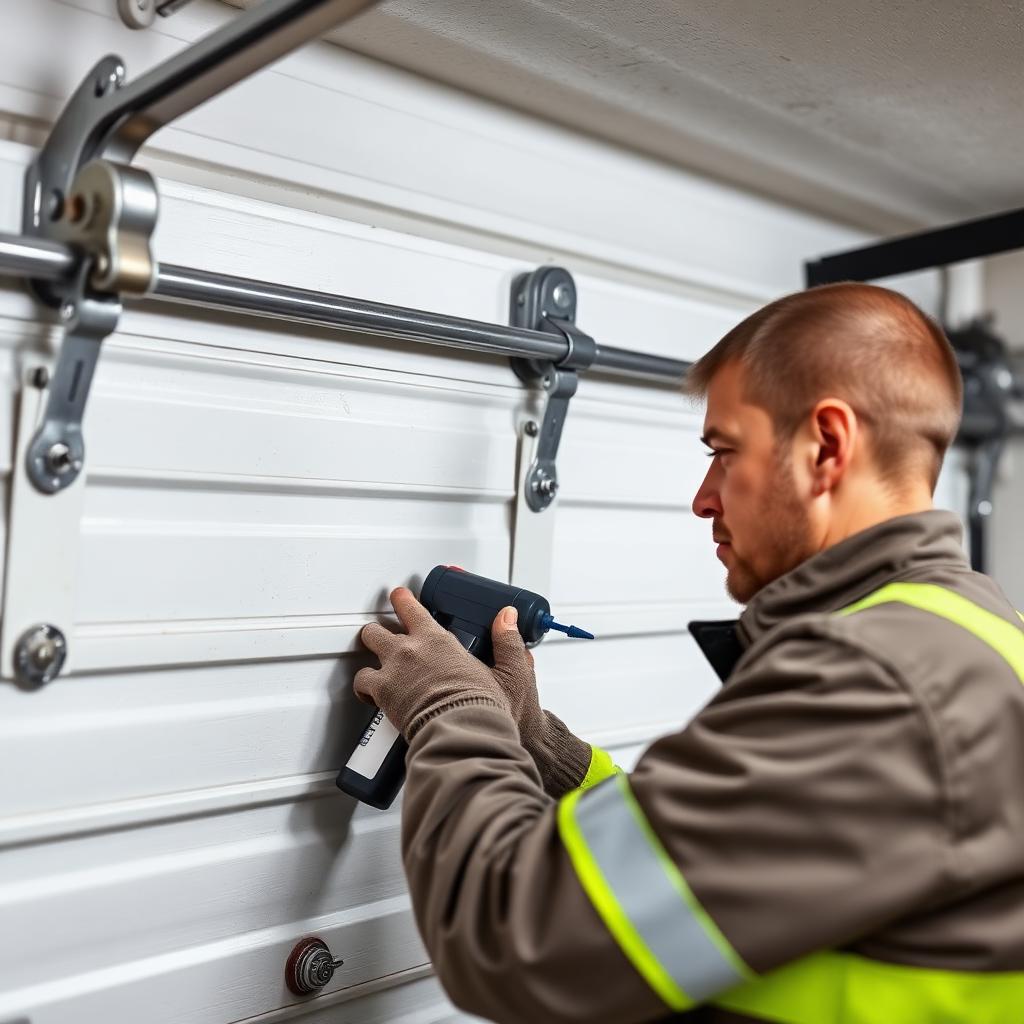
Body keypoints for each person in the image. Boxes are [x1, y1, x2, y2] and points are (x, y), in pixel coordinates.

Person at [353, 282, 1024, 1023]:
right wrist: (543, 751)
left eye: (725, 452)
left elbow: (518, 939)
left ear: (827, 447)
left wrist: (451, 708)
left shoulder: (885, 681)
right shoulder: (972, 630)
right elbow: (741, 860)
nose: (703, 498)